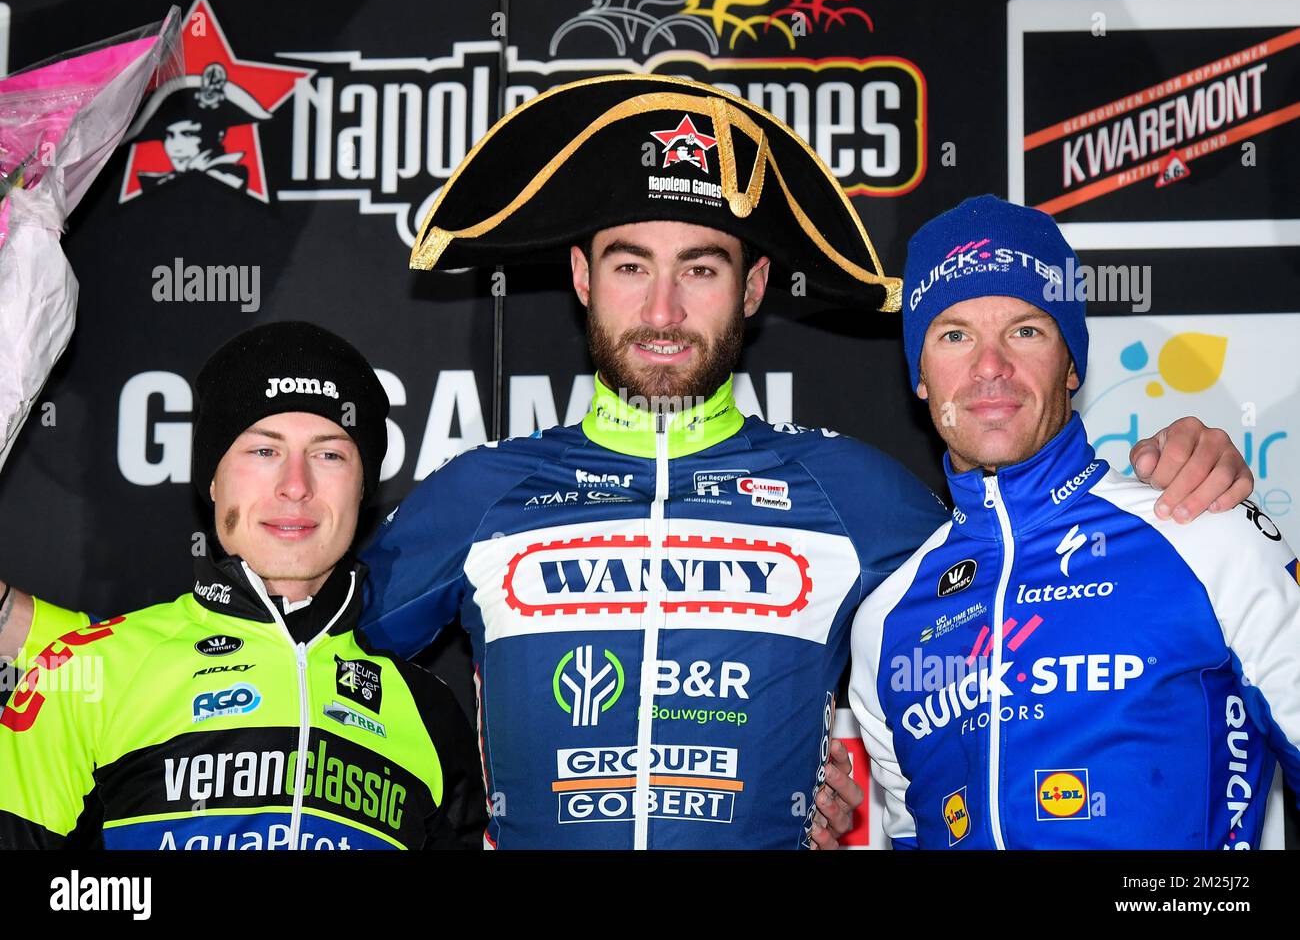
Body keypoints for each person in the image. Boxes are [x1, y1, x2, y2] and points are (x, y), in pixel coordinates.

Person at [356, 76, 1251, 848]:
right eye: (633, 266)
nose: (663, 308)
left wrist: (1169, 467)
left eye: (701, 269)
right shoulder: (480, 493)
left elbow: (1026, 576)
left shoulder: (858, 496)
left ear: (751, 288)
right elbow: (312, 650)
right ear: (584, 277)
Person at [848, 195, 1300, 849]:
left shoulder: (1202, 527)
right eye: (954, 335)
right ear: (921, 374)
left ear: (1072, 363)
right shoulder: (886, 623)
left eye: (1025, 330)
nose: (989, 368)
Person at [0, 322, 485, 849]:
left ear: (364, 486)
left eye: (329, 454)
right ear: (212, 478)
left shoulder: (428, 714)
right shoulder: (81, 673)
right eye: (263, 451)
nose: (295, 486)